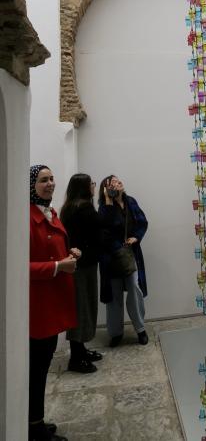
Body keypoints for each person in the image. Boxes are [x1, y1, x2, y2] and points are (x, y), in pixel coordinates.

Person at [29, 165, 79, 441]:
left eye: (51, 179)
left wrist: (68, 252)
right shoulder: (27, 218)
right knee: (35, 370)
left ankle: (36, 420)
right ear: (31, 185)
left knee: (42, 366)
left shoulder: (49, 212)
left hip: (52, 302)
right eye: (42, 180)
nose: (50, 184)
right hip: (39, 307)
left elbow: (50, 248)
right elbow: (20, 266)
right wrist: (59, 266)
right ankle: (33, 427)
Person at [98, 175, 149, 347]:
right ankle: (116, 333)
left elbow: (143, 222)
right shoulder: (104, 208)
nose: (117, 183)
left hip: (129, 255)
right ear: (106, 189)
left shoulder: (131, 201)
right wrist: (108, 201)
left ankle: (141, 329)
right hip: (111, 259)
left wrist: (136, 237)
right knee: (114, 296)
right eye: (112, 183)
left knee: (135, 290)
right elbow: (105, 231)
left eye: (118, 180)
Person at [60, 173, 102, 373]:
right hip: (83, 266)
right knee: (82, 308)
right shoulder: (83, 209)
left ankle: (80, 350)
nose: (94, 186)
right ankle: (76, 358)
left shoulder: (70, 208)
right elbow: (96, 235)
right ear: (84, 187)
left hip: (80, 264)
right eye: (91, 183)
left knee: (81, 307)